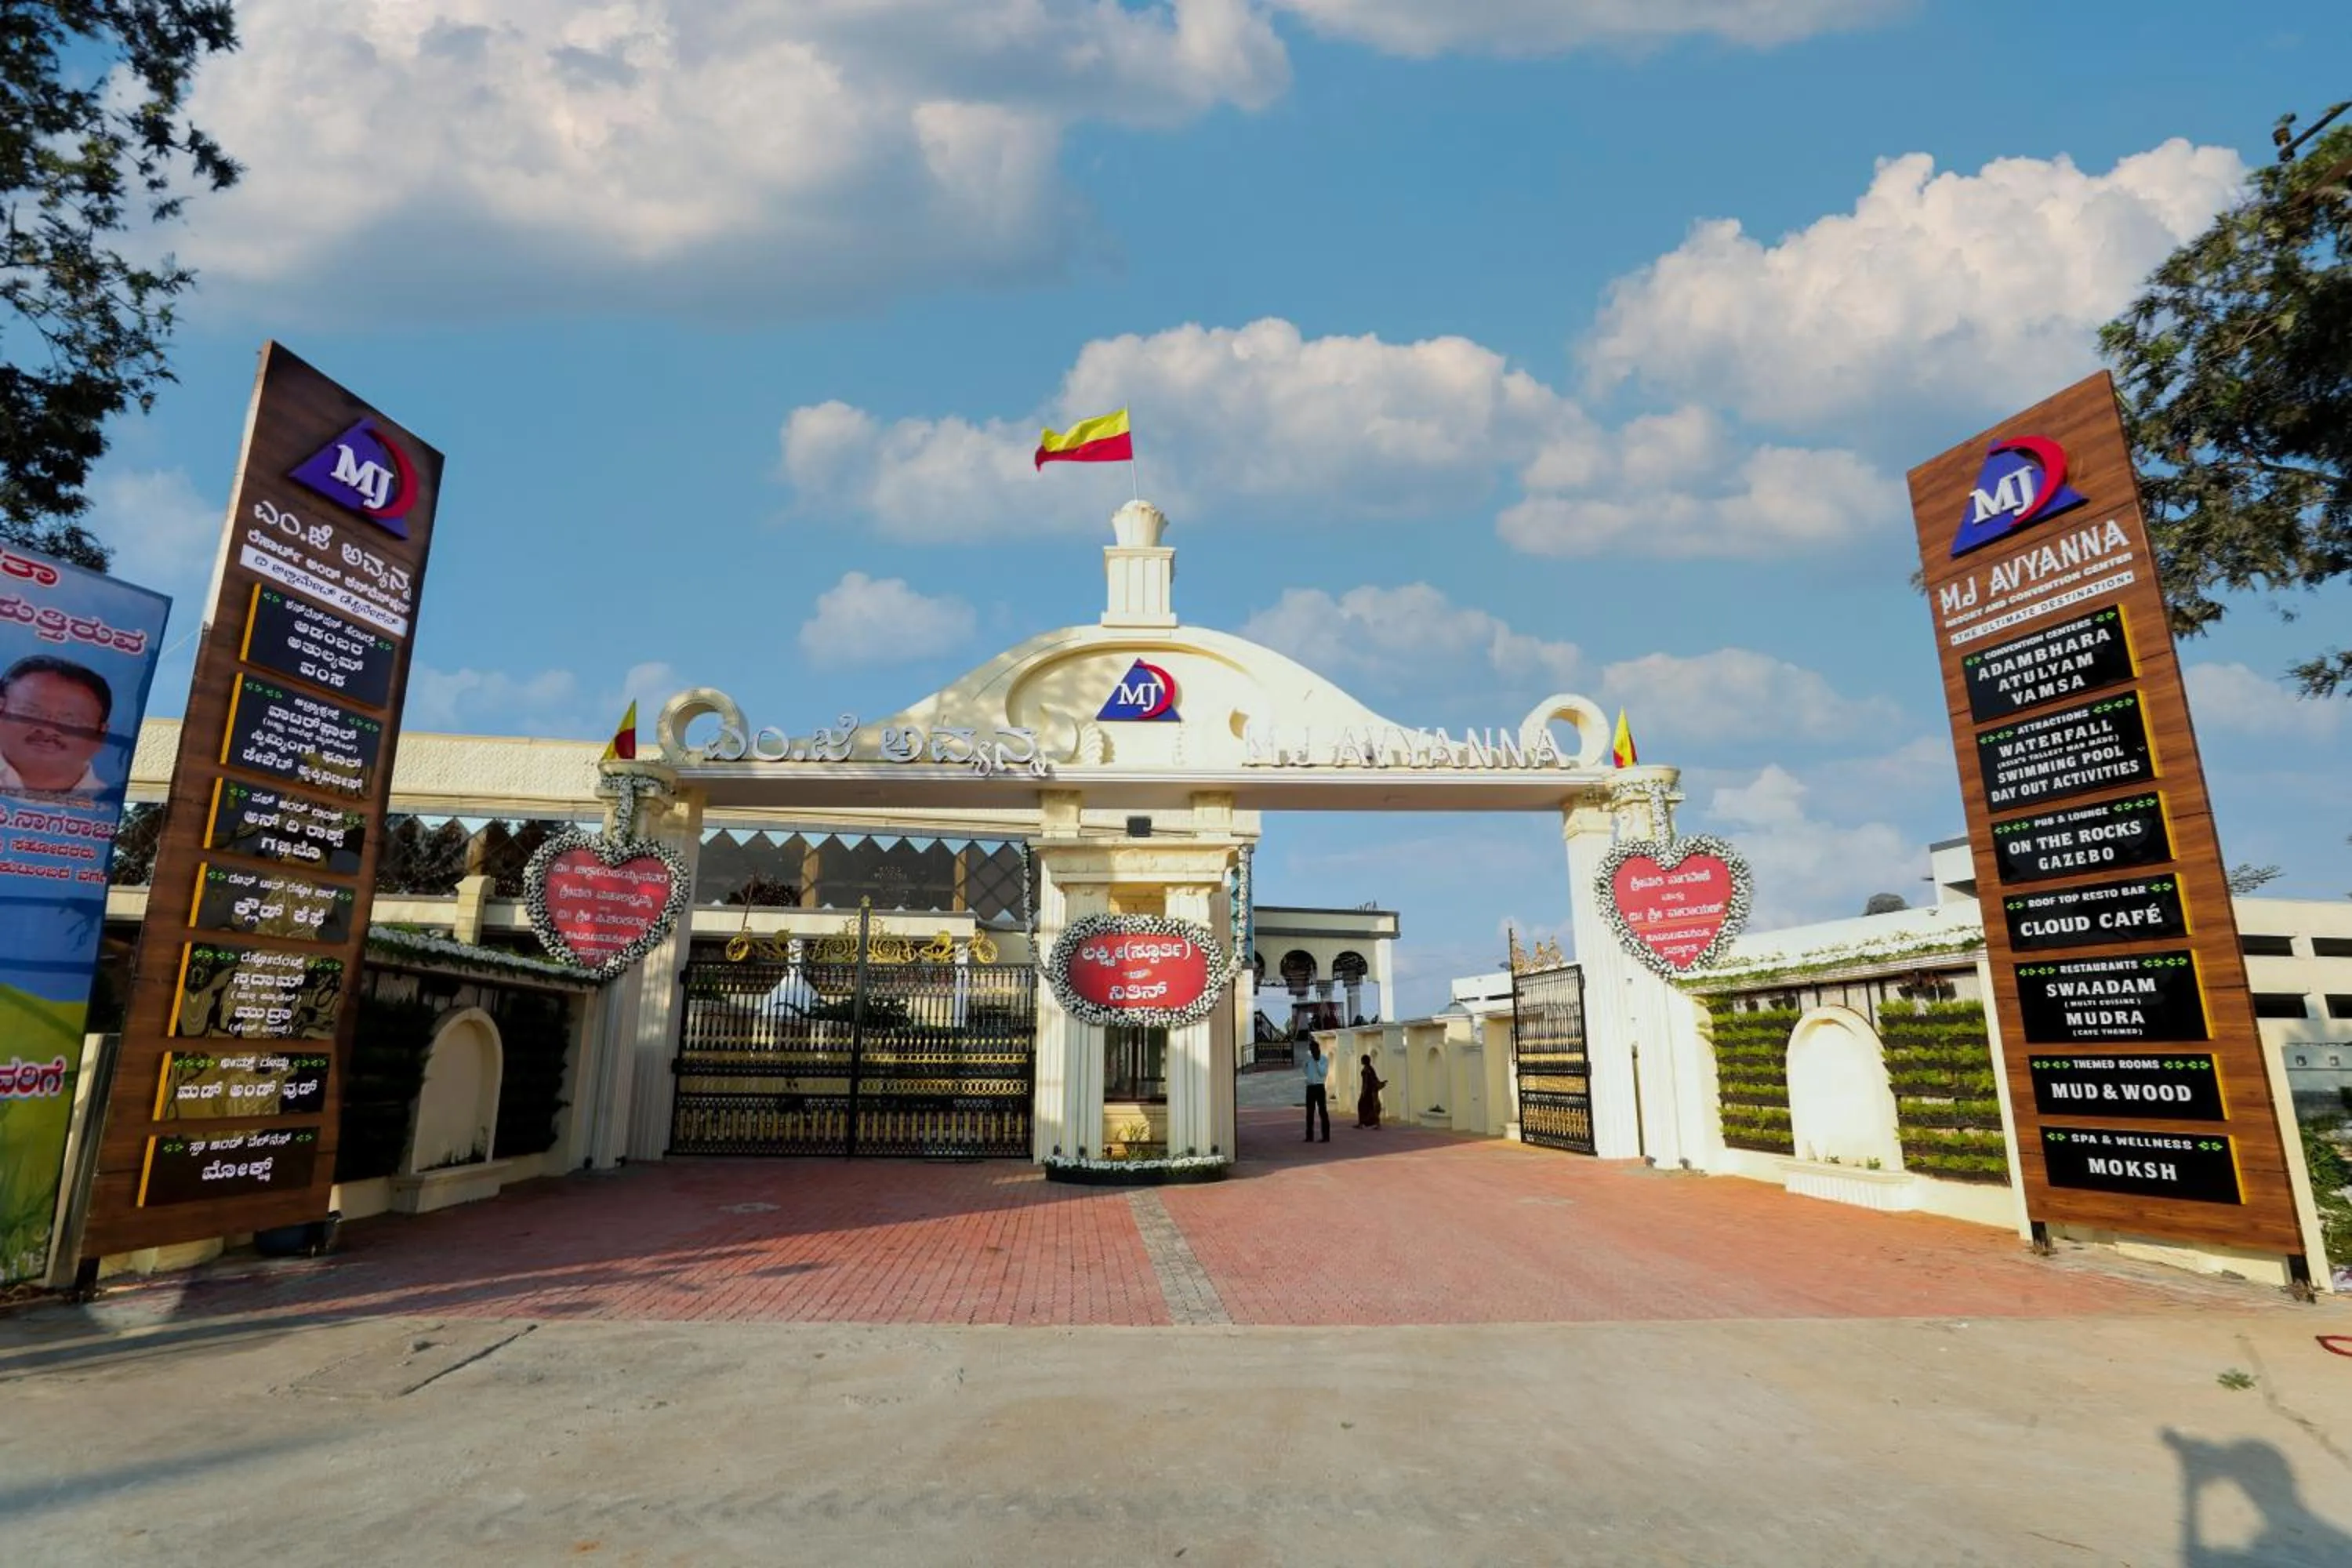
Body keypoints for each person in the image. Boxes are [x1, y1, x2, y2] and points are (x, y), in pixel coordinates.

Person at [0, 655, 113, 797]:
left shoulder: (106, 804)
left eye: (71, 721)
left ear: (100, 735)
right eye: (31, 713)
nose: (49, 730)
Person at [1301, 1039, 1330, 1142]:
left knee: (1323, 1112)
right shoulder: (1308, 1059)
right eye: (1311, 1050)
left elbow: (1323, 1073)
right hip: (1310, 1087)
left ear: (1318, 1049)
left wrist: (1317, 1062)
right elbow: (1304, 1069)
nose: (1313, 1052)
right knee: (1309, 1113)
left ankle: (1326, 1136)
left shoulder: (1324, 1059)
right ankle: (1309, 1136)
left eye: (1314, 1049)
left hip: (1319, 1087)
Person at [1356, 1053, 1385, 1129]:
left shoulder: (1368, 1069)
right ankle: (1363, 1123)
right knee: (1365, 1107)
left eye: (1362, 1060)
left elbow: (1369, 1080)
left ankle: (1373, 1123)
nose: (1361, 1061)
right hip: (1368, 1091)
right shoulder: (1368, 1069)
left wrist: (1364, 1091)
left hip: (1369, 1092)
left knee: (1368, 1106)